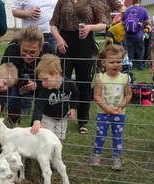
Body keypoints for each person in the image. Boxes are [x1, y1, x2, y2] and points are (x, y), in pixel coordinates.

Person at [50, 0, 107, 134]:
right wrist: (58, 39)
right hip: (64, 44)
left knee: (84, 84)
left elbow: (104, 24)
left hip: (85, 45)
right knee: (61, 82)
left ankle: (82, 120)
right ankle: (59, 117)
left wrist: (90, 28)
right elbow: (53, 24)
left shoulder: (94, 1)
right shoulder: (62, 1)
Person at [0, 26, 55, 123]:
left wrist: (37, 85)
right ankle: (13, 125)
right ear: (19, 44)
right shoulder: (11, 50)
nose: (28, 56)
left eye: (32, 52)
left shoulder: (48, 51)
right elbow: (3, 79)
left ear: (40, 48)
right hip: (16, 80)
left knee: (44, 96)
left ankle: (38, 126)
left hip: (40, 82)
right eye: (24, 51)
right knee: (13, 99)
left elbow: (53, 79)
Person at [89, 39, 132, 170]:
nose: (115, 65)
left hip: (119, 114)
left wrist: (120, 107)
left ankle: (116, 159)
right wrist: (108, 109)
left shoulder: (125, 78)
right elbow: (97, 96)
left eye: (119, 62)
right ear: (104, 63)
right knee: (100, 135)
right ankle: (96, 156)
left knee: (117, 137)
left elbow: (128, 95)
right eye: (112, 62)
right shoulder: (100, 78)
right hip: (103, 114)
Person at [30, 54, 78, 141]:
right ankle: (46, 154)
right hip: (47, 117)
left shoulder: (69, 84)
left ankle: (56, 153)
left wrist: (73, 108)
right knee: (46, 139)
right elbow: (38, 105)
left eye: (46, 79)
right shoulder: (45, 89)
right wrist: (37, 120)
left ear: (56, 74)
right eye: (41, 81)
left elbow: (75, 94)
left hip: (63, 118)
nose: (43, 83)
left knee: (60, 139)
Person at [121, 0, 149, 70]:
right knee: (140, 49)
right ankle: (140, 66)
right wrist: (142, 24)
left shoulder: (127, 10)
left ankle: (131, 66)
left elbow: (122, 22)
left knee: (130, 50)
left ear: (133, 2)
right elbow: (147, 21)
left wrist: (127, 28)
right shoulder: (143, 10)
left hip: (128, 34)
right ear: (140, 2)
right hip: (139, 34)